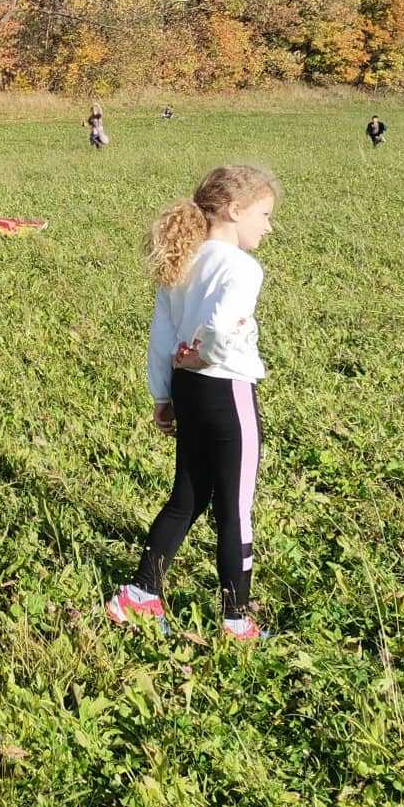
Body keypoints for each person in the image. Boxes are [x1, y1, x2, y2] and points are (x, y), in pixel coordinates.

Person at [105, 164, 279, 643]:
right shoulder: (242, 267)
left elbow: (162, 335)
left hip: (187, 390)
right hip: (226, 389)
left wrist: (163, 394)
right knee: (235, 507)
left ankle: (139, 596)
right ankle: (237, 620)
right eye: (264, 214)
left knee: (188, 497)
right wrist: (203, 354)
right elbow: (221, 331)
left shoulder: (183, 261)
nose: (269, 225)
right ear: (234, 210)